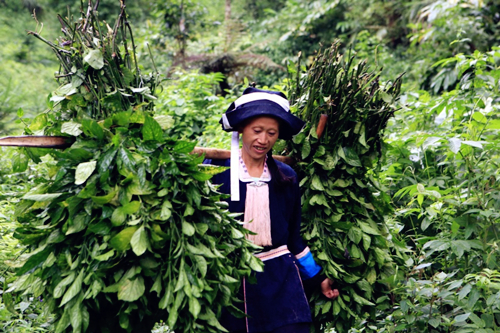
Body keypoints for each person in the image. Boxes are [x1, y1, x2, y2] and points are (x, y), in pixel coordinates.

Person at [205, 87, 339, 333]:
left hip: (281, 282)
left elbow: (293, 239)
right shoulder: (215, 173)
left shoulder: (286, 177)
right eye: (256, 131)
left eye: (271, 133)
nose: (263, 140)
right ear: (241, 129)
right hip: (231, 283)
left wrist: (318, 278)